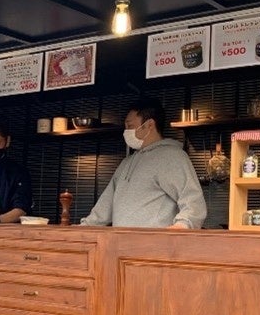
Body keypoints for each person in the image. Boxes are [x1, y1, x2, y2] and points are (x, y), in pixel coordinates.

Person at [80, 97, 206, 228]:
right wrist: (83, 228)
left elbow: (193, 203)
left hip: (154, 246)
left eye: (130, 126)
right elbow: (104, 206)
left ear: (149, 125)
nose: (126, 132)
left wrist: (179, 228)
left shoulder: (173, 156)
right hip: (119, 244)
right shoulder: (126, 163)